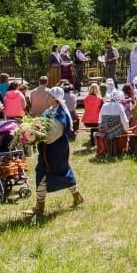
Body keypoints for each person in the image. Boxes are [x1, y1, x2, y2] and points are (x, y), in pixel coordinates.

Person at [23, 86, 84, 217]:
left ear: (55, 98)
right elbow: (40, 125)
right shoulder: (49, 111)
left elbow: (53, 134)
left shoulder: (60, 114)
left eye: (49, 95)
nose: (47, 97)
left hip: (57, 150)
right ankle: (42, 205)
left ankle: (41, 207)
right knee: (46, 172)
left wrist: (38, 136)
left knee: (57, 172)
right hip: (47, 150)